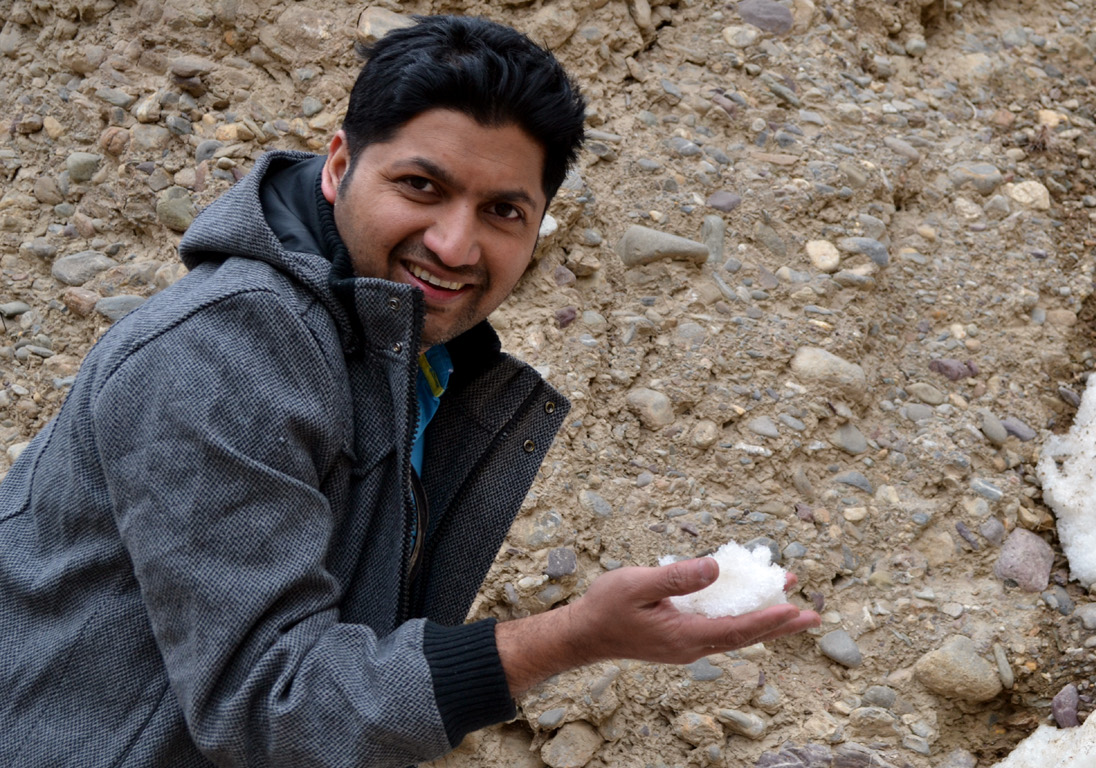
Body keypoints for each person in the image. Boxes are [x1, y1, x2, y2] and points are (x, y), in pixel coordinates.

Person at [0, 15, 820, 768]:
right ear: (338, 166)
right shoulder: (225, 354)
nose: (454, 243)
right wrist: (568, 637)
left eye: (503, 210)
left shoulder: (409, 359)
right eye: (421, 187)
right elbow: (270, 700)